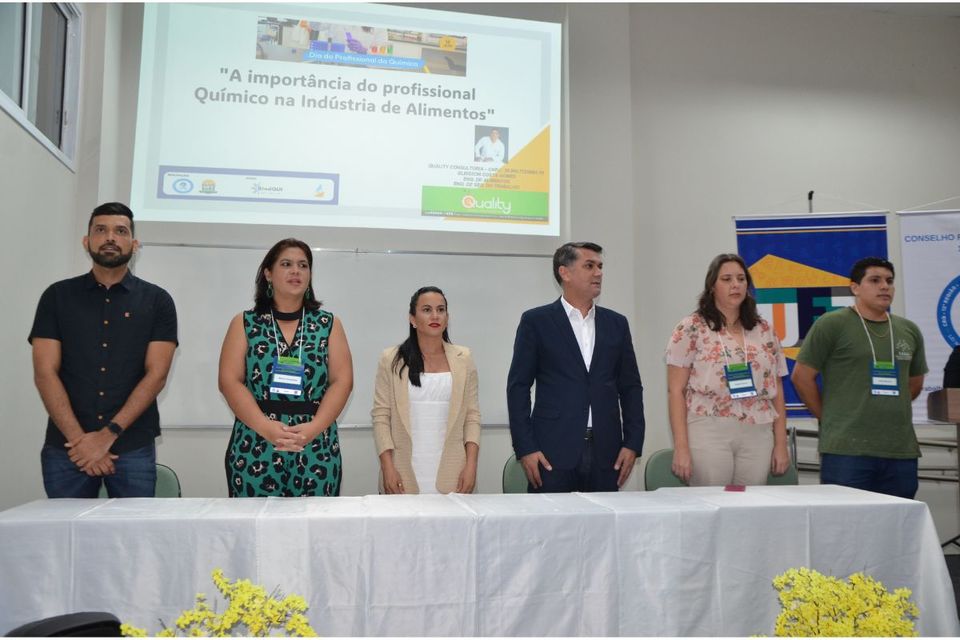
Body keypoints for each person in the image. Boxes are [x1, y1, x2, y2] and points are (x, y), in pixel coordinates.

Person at [29, 202, 178, 498]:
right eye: (101, 230)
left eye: (120, 231)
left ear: (134, 244)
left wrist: (106, 436)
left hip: (132, 445)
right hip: (67, 448)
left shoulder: (158, 301)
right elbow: (45, 373)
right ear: (87, 241)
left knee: (132, 539)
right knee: (65, 540)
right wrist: (81, 442)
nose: (110, 237)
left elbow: (156, 375)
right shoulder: (56, 297)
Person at [218, 238, 353, 497]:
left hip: (315, 443)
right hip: (257, 439)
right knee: (256, 530)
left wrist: (313, 429)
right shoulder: (245, 322)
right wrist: (267, 428)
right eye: (286, 264)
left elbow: (342, 381)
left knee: (314, 530)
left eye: (303, 265)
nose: (296, 271)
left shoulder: (329, 323)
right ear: (268, 273)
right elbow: (229, 381)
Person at [507, 241, 645, 492]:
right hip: (551, 453)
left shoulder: (616, 324)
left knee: (604, 530)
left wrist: (633, 442)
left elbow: (631, 387)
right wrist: (526, 447)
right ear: (565, 272)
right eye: (589, 266)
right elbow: (518, 387)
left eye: (600, 266)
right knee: (551, 529)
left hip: (608, 453)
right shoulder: (536, 321)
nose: (599, 273)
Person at [792, 257, 927, 499]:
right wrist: (830, 417)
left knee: (897, 529)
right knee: (846, 528)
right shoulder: (831, 324)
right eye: (875, 280)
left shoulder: (909, 330)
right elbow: (801, 377)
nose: (884, 286)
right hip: (847, 451)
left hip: (900, 450)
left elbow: (914, 384)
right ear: (855, 288)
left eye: (889, 281)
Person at [665, 254, 790, 486]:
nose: (736, 285)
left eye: (741, 279)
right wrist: (681, 447)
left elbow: (778, 388)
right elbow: (675, 391)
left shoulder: (764, 329)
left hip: (758, 430)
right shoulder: (691, 327)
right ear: (712, 286)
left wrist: (780, 443)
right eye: (727, 279)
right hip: (709, 427)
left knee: (749, 506)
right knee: (713, 503)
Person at [371, 286, 481, 494]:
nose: (435, 315)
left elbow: (472, 417)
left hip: (453, 472)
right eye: (427, 309)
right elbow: (381, 416)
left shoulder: (464, 358)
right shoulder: (391, 359)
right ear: (412, 319)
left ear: (447, 318)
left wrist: (471, 465)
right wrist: (387, 467)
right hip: (403, 471)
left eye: (441, 310)